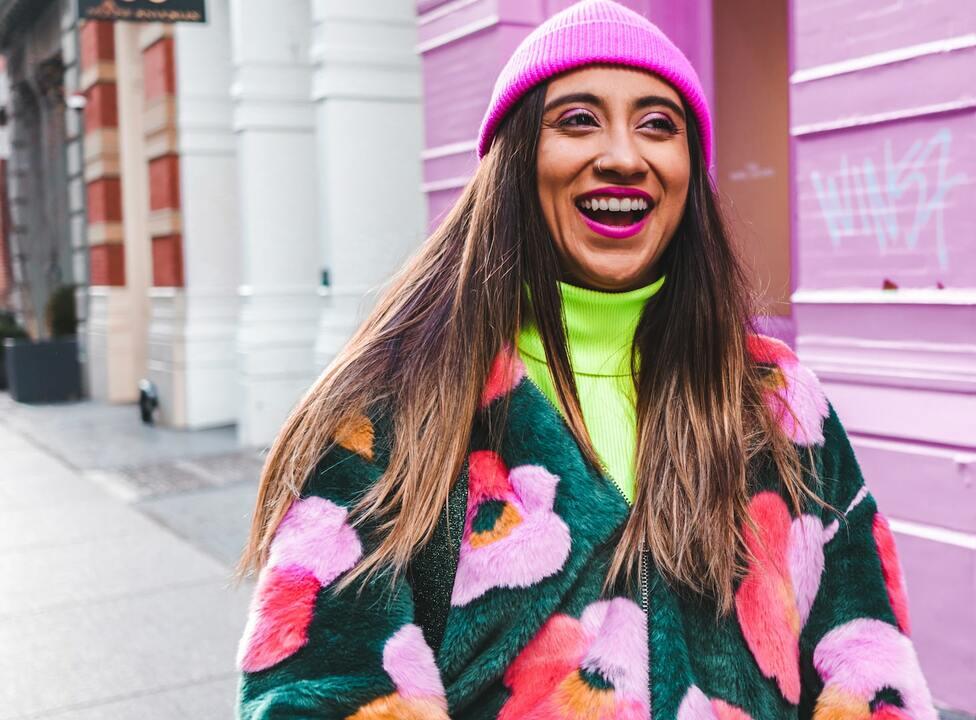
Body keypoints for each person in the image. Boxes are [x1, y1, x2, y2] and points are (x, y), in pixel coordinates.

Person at [233, 1, 936, 718]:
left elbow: (872, 665)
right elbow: (313, 692)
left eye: (658, 124)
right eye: (577, 119)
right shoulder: (395, 409)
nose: (625, 156)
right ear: (516, 161)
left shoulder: (777, 399)